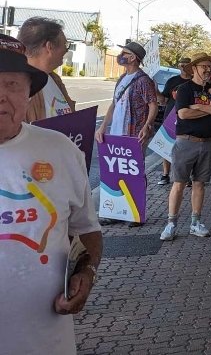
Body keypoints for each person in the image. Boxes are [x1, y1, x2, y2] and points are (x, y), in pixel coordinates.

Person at [0, 34, 102, 355]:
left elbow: (87, 231)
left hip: (46, 340)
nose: (2, 96)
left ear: (29, 93)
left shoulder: (61, 150)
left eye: (13, 84)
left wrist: (86, 272)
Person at [160, 51, 211, 241]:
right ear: (194, 68)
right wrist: (208, 110)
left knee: (199, 184)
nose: (207, 70)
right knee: (178, 183)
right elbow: (183, 114)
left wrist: (197, 107)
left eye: (209, 66)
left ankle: (195, 222)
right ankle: (171, 223)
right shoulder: (185, 89)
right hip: (186, 141)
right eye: (203, 66)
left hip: (208, 143)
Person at [95, 41, 158, 153]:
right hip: (116, 132)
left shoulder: (144, 80)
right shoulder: (122, 78)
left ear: (133, 57)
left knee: (133, 168)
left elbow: (153, 105)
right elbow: (114, 104)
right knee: (116, 167)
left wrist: (147, 125)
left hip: (134, 135)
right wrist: (103, 126)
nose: (120, 55)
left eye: (124, 53)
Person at [18, 16, 76, 122]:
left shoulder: (55, 79)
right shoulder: (16, 85)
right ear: (50, 47)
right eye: (65, 45)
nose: (65, 50)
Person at [157, 57, 192, 186]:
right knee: (167, 147)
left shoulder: (195, 82)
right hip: (170, 119)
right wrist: (154, 89)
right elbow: (163, 100)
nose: (183, 67)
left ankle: (185, 176)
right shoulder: (172, 81)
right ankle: (165, 175)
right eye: (181, 64)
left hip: (188, 119)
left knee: (186, 149)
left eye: (186, 65)